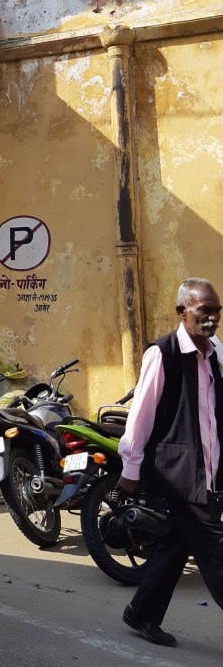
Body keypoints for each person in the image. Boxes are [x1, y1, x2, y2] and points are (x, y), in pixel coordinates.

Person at [116, 276, 223, 646]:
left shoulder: (215, 355)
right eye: (204, 311)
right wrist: (130, 469)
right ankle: (142, 612)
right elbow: (140, 416)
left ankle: (141, 612)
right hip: (179, 475)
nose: (212, 319)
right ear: (182, 311)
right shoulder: (161, 354)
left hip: (206, 473)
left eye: (217, 312)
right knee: (217, 554)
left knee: (176, 543)